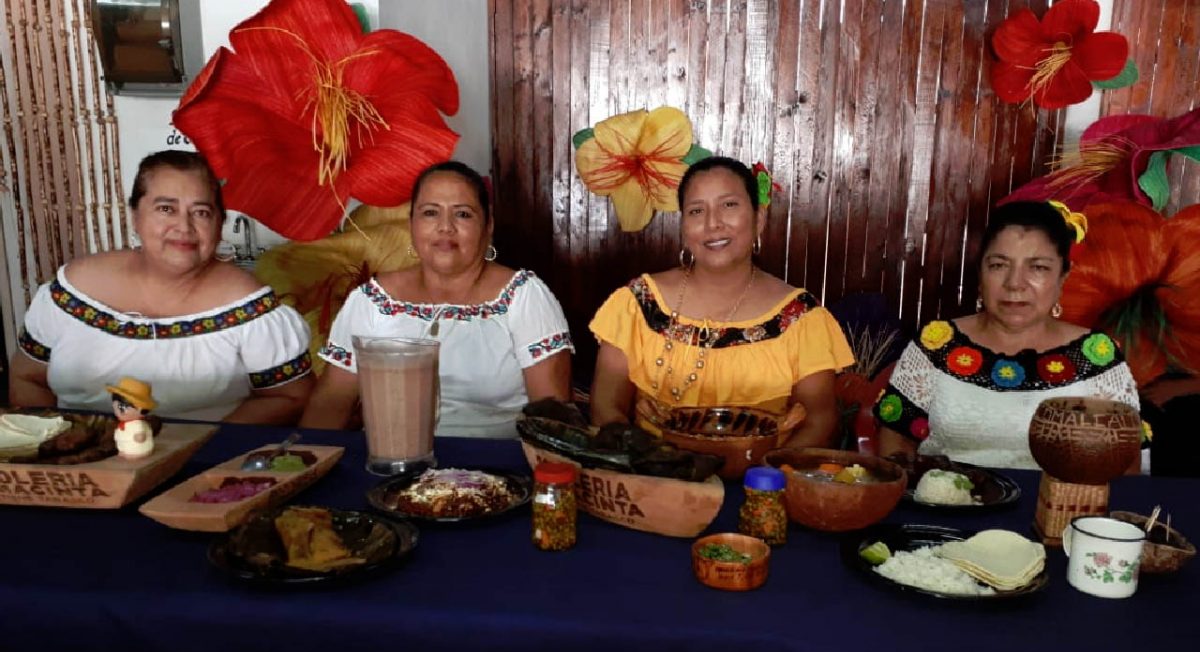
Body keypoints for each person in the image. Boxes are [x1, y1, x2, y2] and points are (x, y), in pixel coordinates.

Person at [9, 150, 313, 423]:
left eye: (201, 212)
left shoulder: (251, 308)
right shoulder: (71, 291)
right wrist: (64, 445)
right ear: (135, 217)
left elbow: (291, 396)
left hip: (205, 469)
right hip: (82, 468)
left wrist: (203, 445)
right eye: (166, 209)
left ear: (219, 225)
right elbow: (27, 378)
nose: (184, 227)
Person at [588, 156, 854, 447]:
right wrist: (647, 464)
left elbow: (820, 420)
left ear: (759, 218)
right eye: (696, 210)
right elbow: (605, 406)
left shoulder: (800, 317)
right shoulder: (638, 303)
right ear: (684, 226)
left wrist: (767, 479)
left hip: (763, 484)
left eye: (729, 205)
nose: (712, 223)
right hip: (655, 480)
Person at [300, 161, 574, 437]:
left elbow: (552, 420)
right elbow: (330, 403)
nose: (445, 227)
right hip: (391, 467)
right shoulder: (371, 300)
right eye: (430, 213)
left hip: (499, 467)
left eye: (463, 214)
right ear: (412, 224)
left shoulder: (523, 297)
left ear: (488, 225)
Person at [876, 201, 1141, 470]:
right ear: (980, 273)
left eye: (1038, 267)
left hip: (1062, 509)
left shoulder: (1096, 357)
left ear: (1063, 277)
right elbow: (895, 444)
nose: (1015, 283)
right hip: (947, 506)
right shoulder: (936, 345)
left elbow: (1126, 458)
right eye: (999, 265)